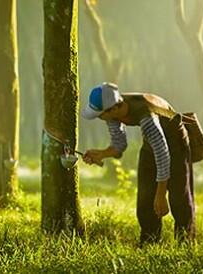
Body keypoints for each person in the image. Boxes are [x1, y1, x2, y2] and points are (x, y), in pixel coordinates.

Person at [81, 82, 195, 245]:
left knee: (178, 199)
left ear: (112, 109)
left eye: (100, 115)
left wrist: (161, 193)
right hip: (151, 146)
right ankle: (149, 241)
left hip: (176, 145)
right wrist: (102, 154)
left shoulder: (147, 118)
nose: (100, 118)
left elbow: (162, 154)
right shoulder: (113, 113)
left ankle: (186, 243)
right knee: (145, 198)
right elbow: (119, 145)